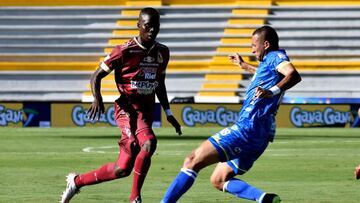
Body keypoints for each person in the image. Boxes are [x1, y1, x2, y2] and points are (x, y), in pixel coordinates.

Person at [161, 25, 301, 203]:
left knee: (192, 160)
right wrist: (244, 66)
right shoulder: (268, 63)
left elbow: (293, 75)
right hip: (261, 135)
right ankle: (264, 199)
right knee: (218, 180)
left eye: (253, 45)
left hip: (247, 128)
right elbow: (263, 73)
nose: (251, 49)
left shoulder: (275, 56)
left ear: (265, 44)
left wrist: (270, 92)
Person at [60, 7, 182, 203]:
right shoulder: (124, 50)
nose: (152, 31)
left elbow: (160, 83)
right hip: (128, 109)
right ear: (138, 26)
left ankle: (76, 181)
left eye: (155, 26)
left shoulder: (163, 52)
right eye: (147, 26)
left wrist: (168, 112)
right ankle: (135, 198)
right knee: (149, 143)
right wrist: (97, 98)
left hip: (147, 110)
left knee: (122, 169)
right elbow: (96, 75)